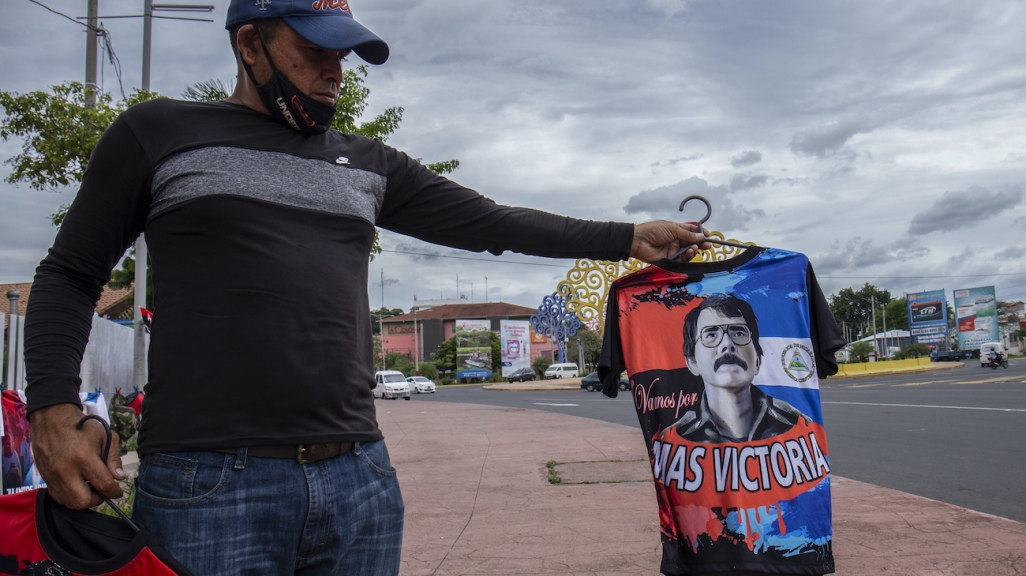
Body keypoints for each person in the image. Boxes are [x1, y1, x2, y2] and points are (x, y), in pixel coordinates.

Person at [22, 1, 711, 574]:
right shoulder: (159, 132)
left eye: (344, 54)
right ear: (249, 45)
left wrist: (626, 239)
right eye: (313, 49)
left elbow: (492, 222)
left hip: (358, 482)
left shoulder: (367, 163)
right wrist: (51, 413)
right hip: (209, 485)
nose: (334, 71)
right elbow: (70, 274)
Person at [664, 294, 809, 443]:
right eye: (711, 334)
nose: (727, 344)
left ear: (758, 361)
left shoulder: (799, 426)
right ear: (693, 362)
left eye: (739, 333)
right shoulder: (674, 439)